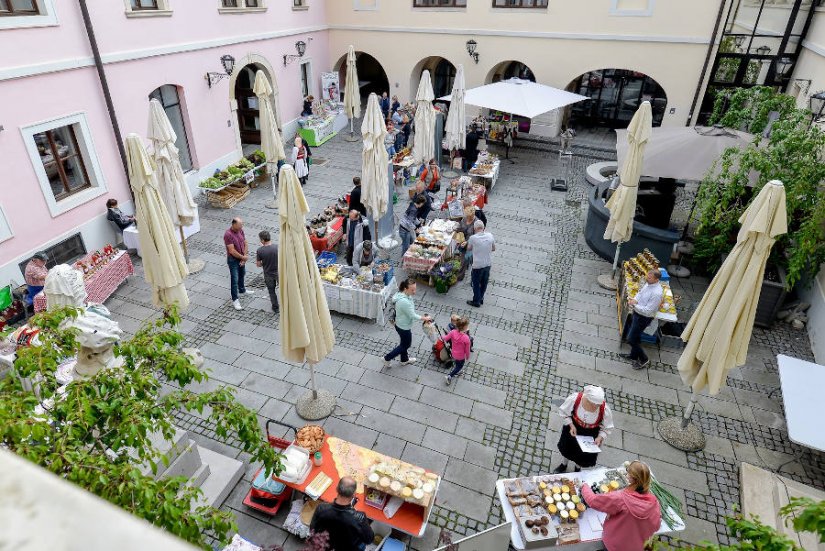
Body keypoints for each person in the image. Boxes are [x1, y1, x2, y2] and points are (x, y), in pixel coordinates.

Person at [580, 461, 661, 551]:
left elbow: (593, 501)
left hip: (615, 545)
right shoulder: (654, 502)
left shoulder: (621, 498)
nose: (626, 474)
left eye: (628, 472)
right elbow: (656, 526)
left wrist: (584, 486)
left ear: (633, 478)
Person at [554, 385, 614, 473]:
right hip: (573, 429)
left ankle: (577, 468)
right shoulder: (575, 399)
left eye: (598, 405)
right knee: (568, 449)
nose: (595, 407)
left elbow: (607, 427)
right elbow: (564, 412)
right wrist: (571, 425)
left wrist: (600, 437)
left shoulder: (604, 409)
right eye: (593, 404)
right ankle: (564, 464)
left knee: (583, 454)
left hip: (590, 434)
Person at [310, 477, 374, 551]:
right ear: (354, 494)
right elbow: (369, 539)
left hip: (326, 545)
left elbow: (313, 530)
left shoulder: (321, 508)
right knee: (362, 543)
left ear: (337, 489)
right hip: (349, 548)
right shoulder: (359, 517)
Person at [620, 269, 663, 370]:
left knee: (630, 339)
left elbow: (648, 311)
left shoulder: (657, 293)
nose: (647, 278)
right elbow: (640, 293)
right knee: (636, 336)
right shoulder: (648, 284)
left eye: (649, 277)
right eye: (647, 276)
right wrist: (635, 299)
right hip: (637, 314)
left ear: (656, 279)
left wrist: (634, 305)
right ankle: (633, 355)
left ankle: (644, 359)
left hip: (643, 318)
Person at [384, 278, 431, 367]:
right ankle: (387, 358)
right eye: (412, 290)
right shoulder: (404, 301)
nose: (414, 292)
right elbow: (412, 315)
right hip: (403, 327)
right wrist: (425, 318)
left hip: (399, 323)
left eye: (415, 289)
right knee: (406, 345)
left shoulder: (401, 294)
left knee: (403, 343)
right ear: (405, 289)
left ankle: (404, 360)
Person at [224, 217, 253, 311]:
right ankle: (235, 299)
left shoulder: (240, 230)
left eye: (242, 225)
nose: (241, 226)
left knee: (242, 274)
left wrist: (244, 257)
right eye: (240, 225)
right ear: (234, 224)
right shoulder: (228, 234)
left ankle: (242, 290)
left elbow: (245, 243)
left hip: (241, 258)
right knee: (234, 279)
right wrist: (242, 257)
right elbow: (231, 251)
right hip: (233, 260)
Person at [466, 220, 495, 308]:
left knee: (476, 283)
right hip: (488, 263)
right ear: (483, 228)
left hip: (478, 265)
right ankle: (481, 297)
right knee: (484, 282)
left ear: (475, 229)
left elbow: (469, 248)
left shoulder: (473, 238)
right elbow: (493, 248)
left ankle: (476, 301)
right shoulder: (490, 236)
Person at [443, 317, 471, 386]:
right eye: (467, 325)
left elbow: (445, 338)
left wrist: (440, 336)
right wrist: (467, 357)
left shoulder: (453, 332)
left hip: (453, 353)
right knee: (459, 366)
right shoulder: (466, 338)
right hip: (461, 356)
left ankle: (456, 370)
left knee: (456, 363)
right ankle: (449, 376)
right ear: (464, 327)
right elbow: (467, 350)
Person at [255, 230, 279, 313]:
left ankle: (275, 307)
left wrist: (264, 262)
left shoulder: (260, 250)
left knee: (271, 291)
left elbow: (258, 264)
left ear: (262, 240)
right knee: (284, 290)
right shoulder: (277, 247)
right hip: (279, 273)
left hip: (268, 274)